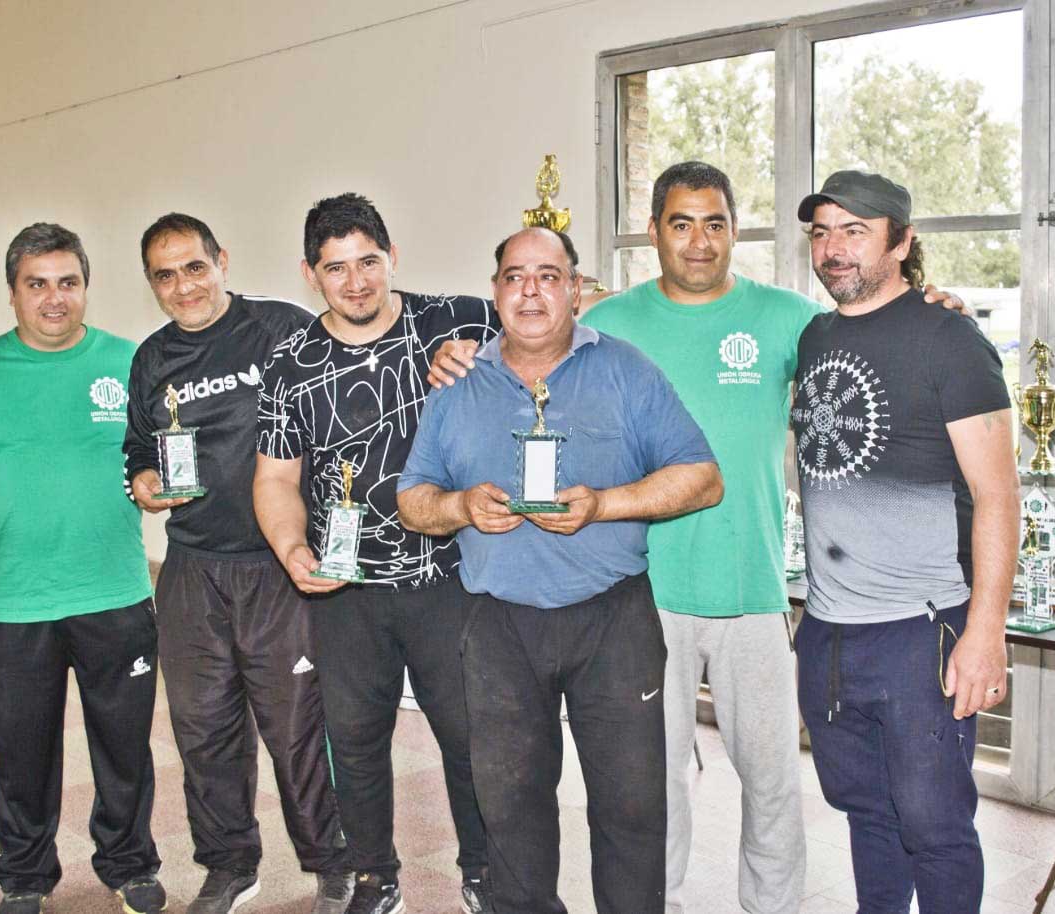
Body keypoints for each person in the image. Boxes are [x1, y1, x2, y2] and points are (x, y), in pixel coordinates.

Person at [428, 161, 970, 914]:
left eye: (715, 223)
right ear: (654, 232)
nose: (699, 241)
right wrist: (456, 354)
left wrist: (934, 304)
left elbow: (875, 324)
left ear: (734, 230)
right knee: (652, 790)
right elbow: (529, 336)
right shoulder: (612, 322)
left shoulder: (790, 319)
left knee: (772, 783)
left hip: (754, 590)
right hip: (647, 599)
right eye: (680, 224)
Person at [397, 227, 724, 914]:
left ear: (575, 289)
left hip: (612, 620)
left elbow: (702, 478)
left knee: (632, 807)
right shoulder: (457, 384)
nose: (531, 292)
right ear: (495, 292)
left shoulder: (625, 370)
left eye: (548, 276)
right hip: (498, 626)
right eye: (515, 277)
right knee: (509, 807)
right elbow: (412, 500)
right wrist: (458, 506)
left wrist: (605, 504)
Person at [252, 192, 496, 914]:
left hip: (449, 576)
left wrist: (484, 356)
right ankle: (374, 877)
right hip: (345, 587)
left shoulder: (455, 321)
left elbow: (558, 324)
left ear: (393, 257)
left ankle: (485, 872)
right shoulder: (290, 365)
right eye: (336, 268)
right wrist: (292, 548)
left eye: (368, 262)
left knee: (469, 736)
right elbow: (276, 478)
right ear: (310, 274)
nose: (355, 282)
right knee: (354, 743)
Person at [0, 223, 165, 914]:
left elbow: (168, 453)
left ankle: (129, 864)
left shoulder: (131, 364)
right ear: (13, 292)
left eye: (68, 282)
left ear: (86, 287)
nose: (55, 298)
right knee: (22, 756)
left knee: (125, 749)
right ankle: (24, 876)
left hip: (116, 597)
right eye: (37, 284)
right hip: (14, 606)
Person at [791, 170, 1018, 913]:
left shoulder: (949, 338)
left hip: (920, 632)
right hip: (829, 633)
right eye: (822, 231)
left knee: (935, 826)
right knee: (868, 815)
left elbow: (998, 495)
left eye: (855, 231)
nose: (834, 248)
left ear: (902, 241)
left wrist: (986, 631)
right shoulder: (815, 335)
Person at [123, 213, 353, 914]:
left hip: (277, 568)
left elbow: (343, 410)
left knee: (297, 727)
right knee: (203, 729)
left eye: (195, 267)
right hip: (192, 569)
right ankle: (228, 865)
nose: (184, 286)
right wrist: (143, 481)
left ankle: (332, 861)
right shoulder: (152, 358)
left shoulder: (281, 328)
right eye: (165, 275)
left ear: (222, 260)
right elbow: (138, 449)